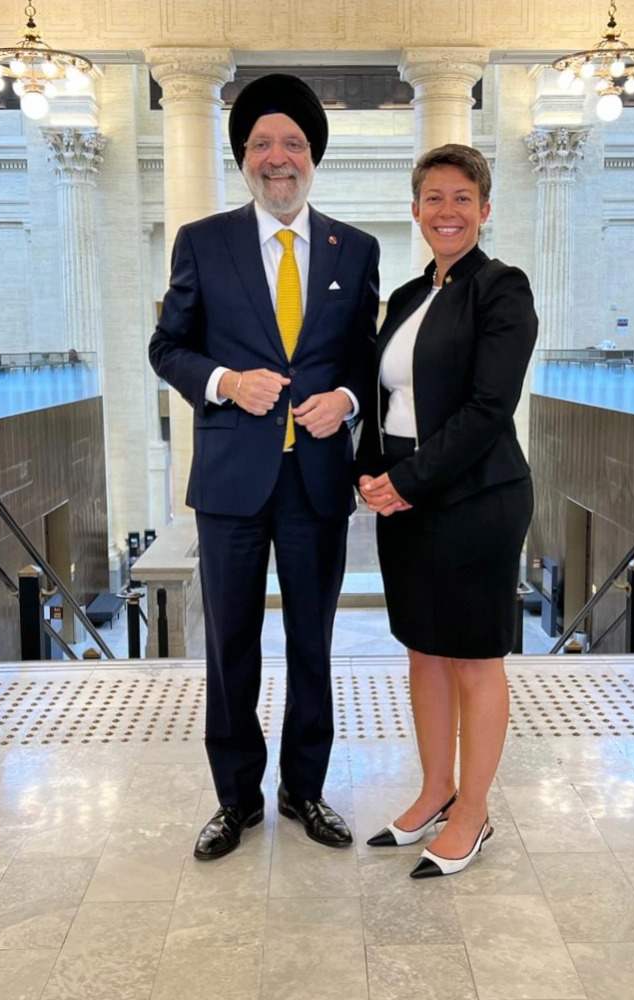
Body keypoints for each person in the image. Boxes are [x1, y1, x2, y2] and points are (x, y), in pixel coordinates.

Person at [150, 74, 380, 860]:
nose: (277, 158)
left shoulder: (356, 247)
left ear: (312, 156)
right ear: (243, 157)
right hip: (231, 483)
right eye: (261, 145)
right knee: (231, 649)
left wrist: (346, 399)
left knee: (313, 644)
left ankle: (304, 789)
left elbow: (363, 355)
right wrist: (225, 382)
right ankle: (236, 799)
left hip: (314, 481)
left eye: (292, 143)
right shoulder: (202, 241)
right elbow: (168, 347)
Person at [356, 144, 537, 879]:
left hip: (475, 497)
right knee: (424, 650)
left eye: (463, 197)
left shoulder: (500, 289)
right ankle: (436, 790)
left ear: (485, 210)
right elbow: (382, 400)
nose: (448, 210)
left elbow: (489, 408)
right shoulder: (406, 296)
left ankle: (474, 811)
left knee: (472, 658)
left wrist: (409, 482)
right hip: (406, 495)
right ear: (415, 210)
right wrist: (370, 474)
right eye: (434, 197)